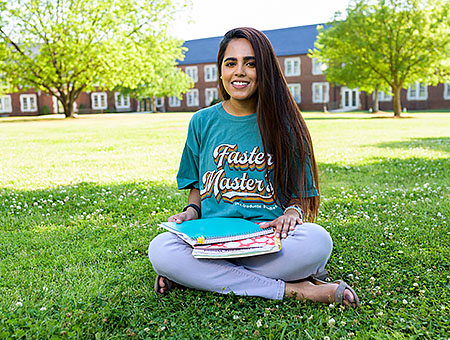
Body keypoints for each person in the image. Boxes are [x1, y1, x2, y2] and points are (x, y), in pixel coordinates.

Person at [148, 27, 359, 307]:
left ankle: (198, 276)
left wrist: (292, 212)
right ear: (221, 71)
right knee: (161, 249)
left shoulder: (286, 124)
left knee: (317, 241)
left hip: (267, 241)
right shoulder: (202, 121)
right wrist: (191, 212)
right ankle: (297, 289)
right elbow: (197, 187)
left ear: (265, 70)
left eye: (251, 63)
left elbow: (300, 194)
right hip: (213, 239)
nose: (240, 71)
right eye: (231, 63)